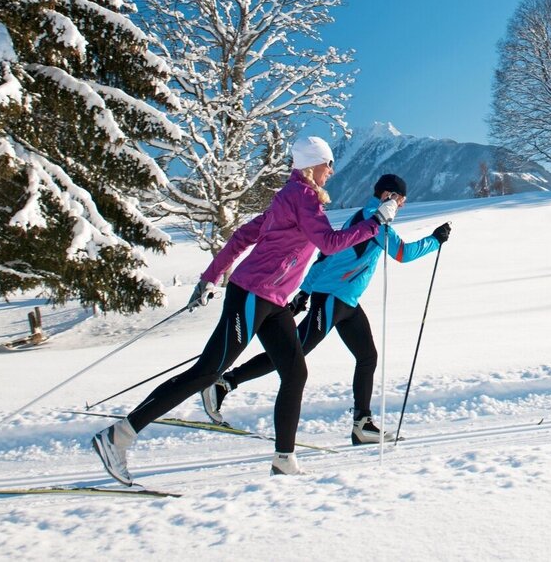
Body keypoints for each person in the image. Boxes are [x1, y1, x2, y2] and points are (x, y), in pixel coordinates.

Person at [91, 136, 395, 481]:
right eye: (328, 164)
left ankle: (284, 459)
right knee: (206, 371)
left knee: (295, 373)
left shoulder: (289, 198)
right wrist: (375, 222)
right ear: (313, 164)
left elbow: (242, 236)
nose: (332, 171)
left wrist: (210, 278)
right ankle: (118, 437)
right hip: (252, 293)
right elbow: (329, 243)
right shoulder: (302, 197)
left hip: (274, 301)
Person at [200, 173, 451, 446]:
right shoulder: (373, 220)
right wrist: (435, 240)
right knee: (293, 354)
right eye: (400, 199)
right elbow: (402, 253)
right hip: (332, 298)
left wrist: (305, 292)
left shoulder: (363, 217)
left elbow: (326, 256)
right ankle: (225, 383)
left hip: (346, 301)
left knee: (367, 356)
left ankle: (362, 424)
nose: (401, 205)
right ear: (387, 196)